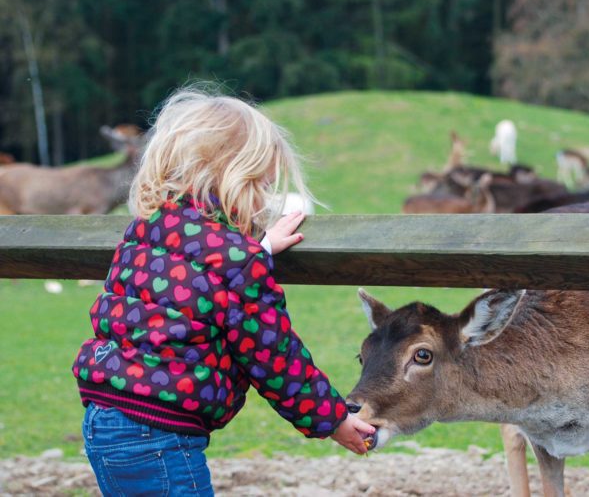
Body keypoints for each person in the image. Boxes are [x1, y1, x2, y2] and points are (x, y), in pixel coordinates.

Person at [72, 87, 375, 496]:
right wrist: (332, 419)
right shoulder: (238, 262)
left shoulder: (148, 229)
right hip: (159, 436)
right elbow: (274, 357)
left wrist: (259, 250)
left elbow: (194, 279)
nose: (265, 200)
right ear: (239, 179)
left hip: (104, 419)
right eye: (262, 186)